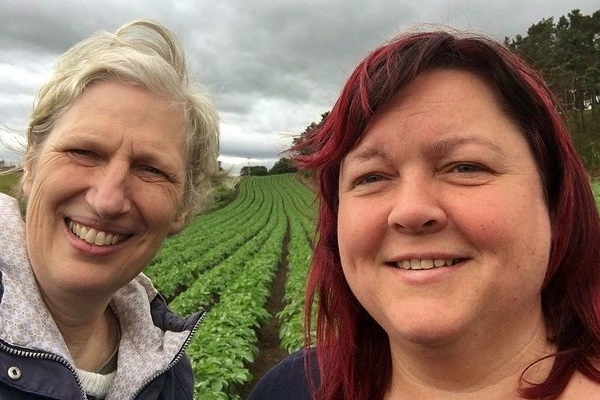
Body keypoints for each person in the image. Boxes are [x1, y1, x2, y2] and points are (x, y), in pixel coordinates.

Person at [247, 28, 600, 399]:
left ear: (555, 202)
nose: (411, 211)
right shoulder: (291, 389)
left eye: (465, 167)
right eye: (372, 177)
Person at [0, 19, 228, 399]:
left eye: (151, 169)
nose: (106, 201)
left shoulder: (168, 375)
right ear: (30, 163)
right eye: (83, 152)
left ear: (182, 209)